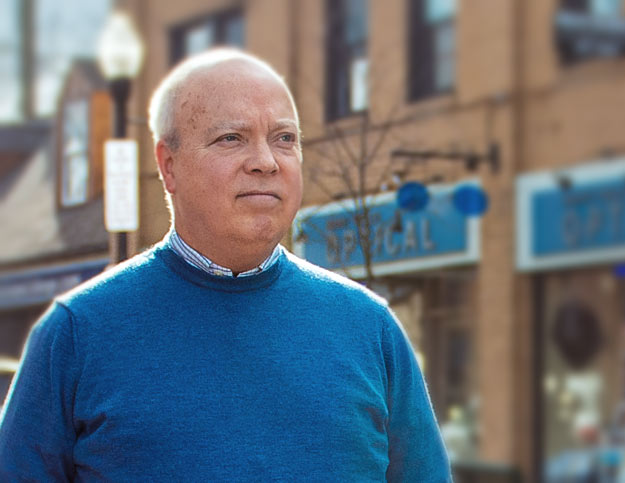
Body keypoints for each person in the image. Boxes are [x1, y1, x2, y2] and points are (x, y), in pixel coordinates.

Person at [0, 48, 451, 481]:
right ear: (169, 165)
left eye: (284, 139)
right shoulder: (75, 334)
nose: (265, 162)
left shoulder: (371, 329)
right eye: (231, 138)